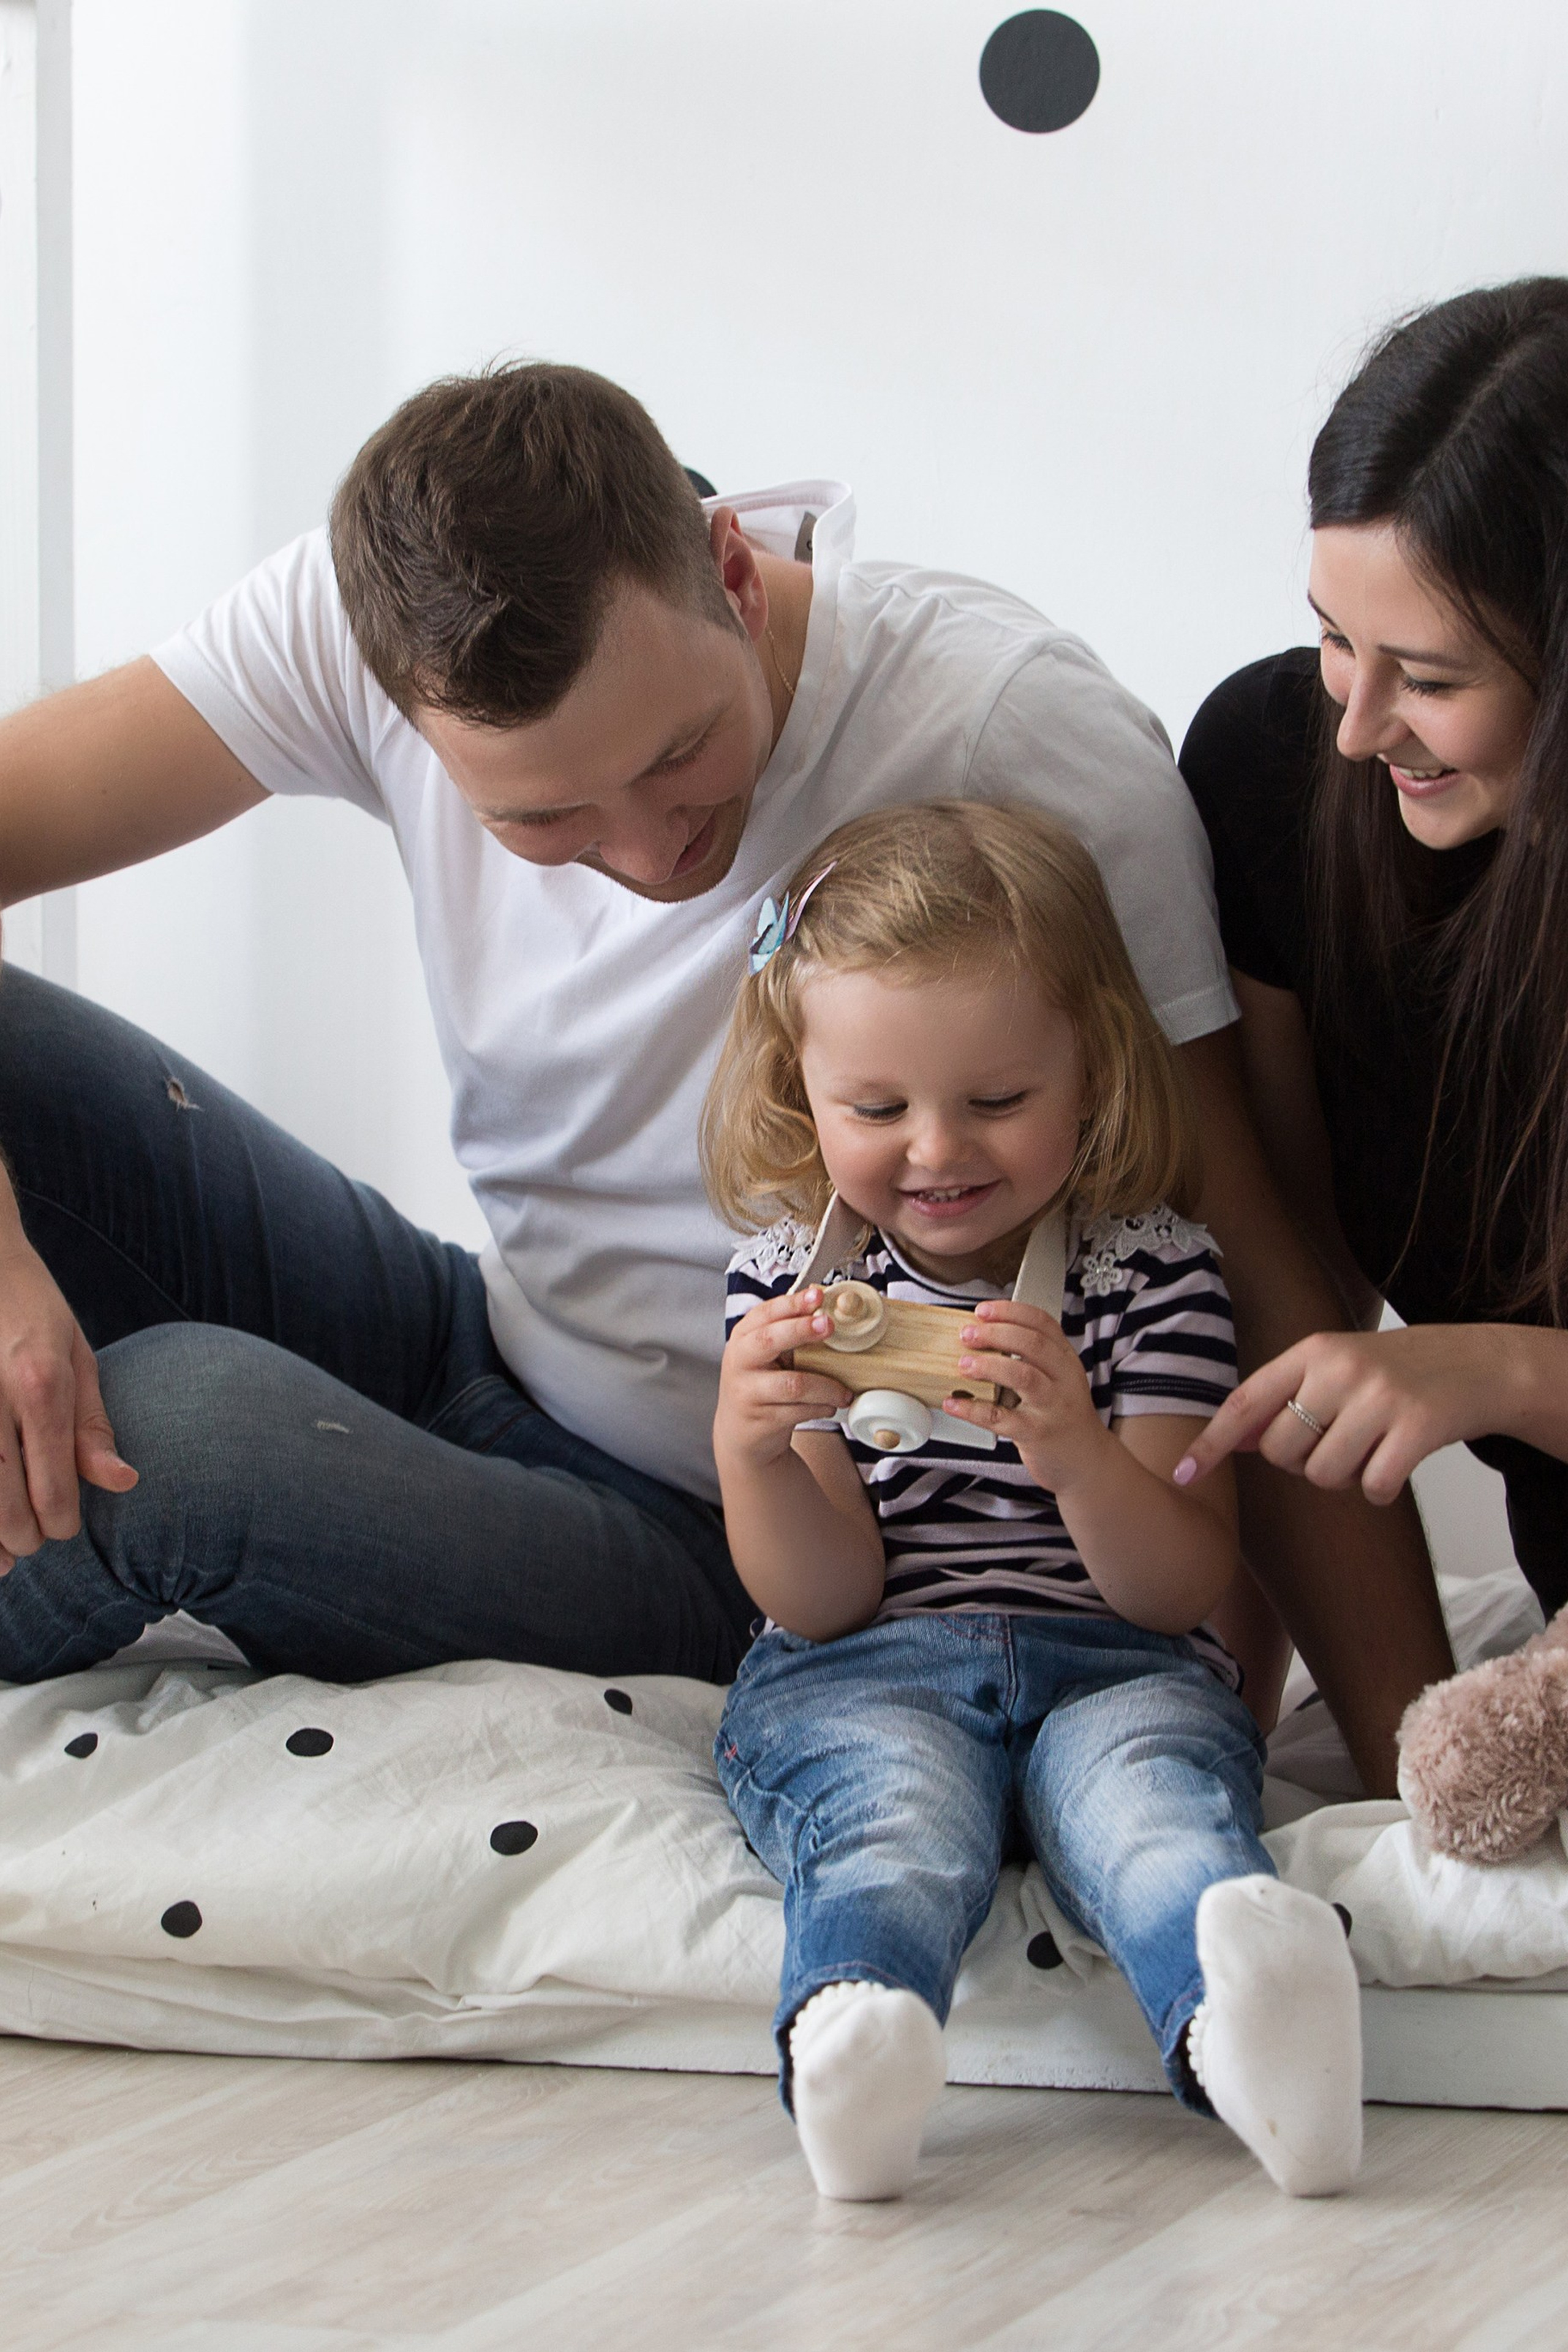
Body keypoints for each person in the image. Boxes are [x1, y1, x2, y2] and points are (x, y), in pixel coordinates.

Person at [0, 363, 1443, 1785]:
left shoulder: (1011, 733)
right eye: (545, 817)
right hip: (478, 1331)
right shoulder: (366, 608)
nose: (644, 855)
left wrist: (1404, 1759)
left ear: (732, 574)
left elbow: (1239, 1254)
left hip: (742, 1517)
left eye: (681, 757)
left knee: (165, 1426)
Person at [704, 802, 1363, 2203]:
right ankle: (860, 2035)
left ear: (1092, 1075)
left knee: (1152, 1808)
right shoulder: (791, 1285)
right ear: (799, 1092)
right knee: (886, 1814)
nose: (935, 1151)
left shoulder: (1150, 1273)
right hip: (865, 1665)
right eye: (875, 1110)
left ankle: (1252, 2027)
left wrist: (1072, 1449)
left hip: (1111, 1659)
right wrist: (750, 1450)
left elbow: (1180, 1588)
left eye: (996, 1101)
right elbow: (819, 1600)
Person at [1175, 279, 1568, 1634]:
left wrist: (1500, 1375)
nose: (1358, 725)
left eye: (1433, 678)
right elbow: (1296, 1285)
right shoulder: (1272, 774)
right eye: (1335, 638)